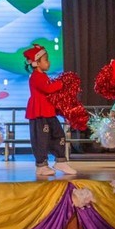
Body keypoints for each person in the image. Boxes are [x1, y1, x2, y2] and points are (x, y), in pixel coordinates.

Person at [23, 44, 77, 177]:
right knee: (41, 139)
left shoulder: (44, 76)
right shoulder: (36, 77)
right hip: (39, 113)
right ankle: (41, 165)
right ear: (36, 63)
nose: (49, 62)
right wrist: (61, 83)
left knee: (59, 134)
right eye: (46, 60)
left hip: (48, 111)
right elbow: (47, 89)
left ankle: (60, 160)